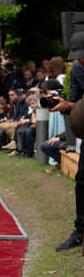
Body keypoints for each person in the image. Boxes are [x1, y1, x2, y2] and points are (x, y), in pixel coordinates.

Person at [51, 45, 84, 251]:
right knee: (81, 178)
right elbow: (75, 102)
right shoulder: (78, 71)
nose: (80, 61)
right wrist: (64, 105)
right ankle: (79, 231)